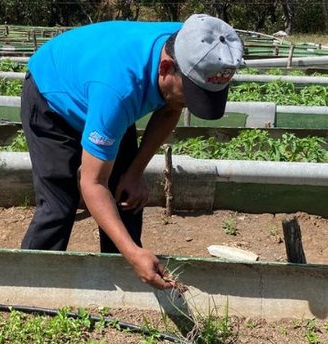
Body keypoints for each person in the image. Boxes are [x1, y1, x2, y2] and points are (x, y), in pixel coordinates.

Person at [20, 14, 244, 290]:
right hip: (53, 96)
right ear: (165, 68)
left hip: (101, 89)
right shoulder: (118, 92)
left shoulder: (194, 45)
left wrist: (134, 173)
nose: (188, 103)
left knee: (126, 195)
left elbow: (171, 108)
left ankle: (123, 280)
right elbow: (92, 183)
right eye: (190, 94)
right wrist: (133, 253)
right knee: (59, 204)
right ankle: (30, 285)